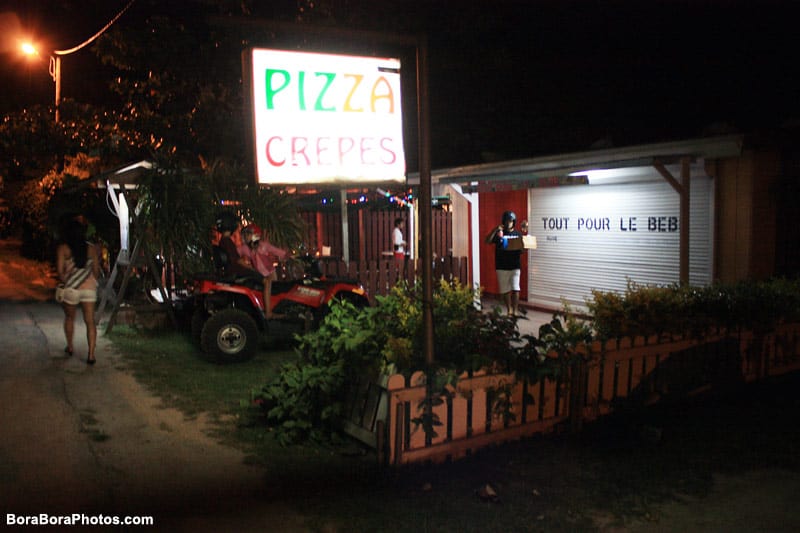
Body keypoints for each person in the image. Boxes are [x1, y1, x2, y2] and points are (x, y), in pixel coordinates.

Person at [214, 212, 279, 319]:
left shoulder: (222, 241)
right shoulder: (228, 242)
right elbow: (237, 260)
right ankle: (268, 312)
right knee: (267, 281)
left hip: (231, 270)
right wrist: (251, 269)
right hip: (237, 270)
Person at [56, 216, 100, 364]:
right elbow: (96, 271)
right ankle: (91, 355)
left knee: (69, 318)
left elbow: (60, 273)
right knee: (90, 321)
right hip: (89, 289)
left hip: (71, 289)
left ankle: (70, 346)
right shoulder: (91, 249)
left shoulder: (63, 249)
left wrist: (68, 280)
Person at [237, 224, 287, 318]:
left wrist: (287, 257)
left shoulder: (264, 245)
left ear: (255, 235)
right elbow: (235, 254)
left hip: (271, 273)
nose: (245, 237)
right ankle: (268, 313)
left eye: (248, 234)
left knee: (274, 292)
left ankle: (271, 311)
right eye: (245, 234)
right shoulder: (245, 248)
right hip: (259, 275)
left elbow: (278, 252)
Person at [485, 210, 528, 316]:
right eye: (507, 220)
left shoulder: (518, 234)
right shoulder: (499, 233)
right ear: (503, 221)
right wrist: (495, 230)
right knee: (505, 289)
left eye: (511, 221)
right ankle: (509, 310)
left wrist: (525, 247)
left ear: (514, 222)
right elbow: (487, 241)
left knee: (515, 288)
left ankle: (515, 310)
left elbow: (522, 250)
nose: (509, 222)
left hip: (515, 265)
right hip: (501, 265)